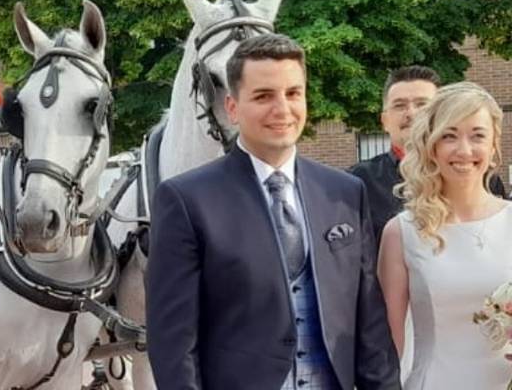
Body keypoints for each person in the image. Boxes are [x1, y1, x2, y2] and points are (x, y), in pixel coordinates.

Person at [146, 33, 400, 390]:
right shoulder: (185, 199)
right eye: (264, 96)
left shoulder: (344, 192)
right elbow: (173, 342)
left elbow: (370, 324)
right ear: (233, 108)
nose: (282, 109)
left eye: (293, 93)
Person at [378, 82, 510, 389]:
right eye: (449, 136)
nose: (464, 150)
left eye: (477, 136)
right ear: (431, 146)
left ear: (493, 147)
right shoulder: (402, 233)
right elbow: (387, 347)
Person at [349, 66, 440, 249]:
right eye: (399, 106)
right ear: (384, 121)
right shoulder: (357, 182)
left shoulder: (476, 177)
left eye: (422, 104)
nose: (411, 113)